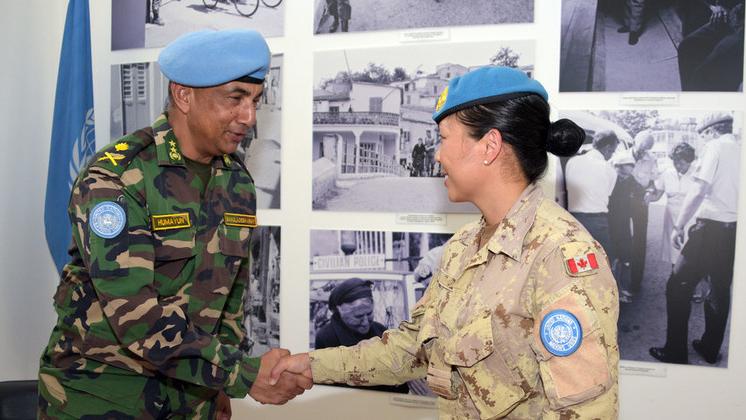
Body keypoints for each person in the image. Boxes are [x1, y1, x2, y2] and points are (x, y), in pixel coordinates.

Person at [271, 67, 620, 418]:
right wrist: (311, 366)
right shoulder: (463, 246)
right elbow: (413, 349)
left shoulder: (560, 255)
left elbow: (586, 411)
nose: (437, 155)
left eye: (444, 138)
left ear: (489, 146)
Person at [37, 29, 311, 419]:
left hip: (191, 398)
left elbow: (231, 300)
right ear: (183, 95)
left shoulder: (237, 182)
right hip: (105, 397)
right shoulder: (117, 179)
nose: (249, 117)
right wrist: (241, 375)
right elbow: (136, 317)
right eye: (235, 98)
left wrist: (216, 386)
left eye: (255, 100)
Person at [650, 113, 739, 365]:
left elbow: (699, 189)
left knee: (677, 286)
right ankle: (710, 349)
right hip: (733, 229)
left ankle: (675, 352)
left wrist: (679, 226)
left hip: (710, 227)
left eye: (702, 135)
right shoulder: (740, 147)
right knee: (719, 289)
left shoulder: (715, 146)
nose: (702, 140)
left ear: (710, 131)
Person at [314, 278, 409, 394]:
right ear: (340, 312)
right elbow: (327, 389)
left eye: (369, 313)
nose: (365, 322)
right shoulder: (326, 338)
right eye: (358, 317)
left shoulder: (380, 330)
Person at [565, 130, 619, 255]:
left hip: (574, 220)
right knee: (601, 262)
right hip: (597, 222)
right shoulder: (609, 169)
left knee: (577, 260)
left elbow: (568, 188)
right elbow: (607, 194)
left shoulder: (572, 162)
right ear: (607, 148)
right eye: (612, 151)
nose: (611, 155)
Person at [678, 1, 744, 91]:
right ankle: (689, 96)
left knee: (715, 63)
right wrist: (722, 6)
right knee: (687, 47)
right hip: (736, 14)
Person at [650, 142, 697, 269]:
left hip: (690, 219)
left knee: (691, 255)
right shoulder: (667, 173)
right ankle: (675, 277)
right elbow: (656, 195)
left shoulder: (697, 174)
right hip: (671, 219)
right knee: (674, 254)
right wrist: (645, 195)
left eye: (681, 163)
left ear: (689, 161)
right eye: (675, 162)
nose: (677, 166)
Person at [607, 150, 641, 303]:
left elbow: (641, 190)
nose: (624, 177)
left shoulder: (631, 180)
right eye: (622, 174)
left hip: (624, 224)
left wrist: (649, 192)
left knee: (626, 258)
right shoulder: (609, 179)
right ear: (616, 168)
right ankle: (613, 290)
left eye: (627, 174)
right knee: (612, 258)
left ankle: (623, 288)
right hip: (609, 223)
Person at [628, 130, 659, 296]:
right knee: (623, 238)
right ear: (634, 142)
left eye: (647, 148)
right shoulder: (621, 157)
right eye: (642, 147)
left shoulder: (651, 159)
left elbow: (653, 182)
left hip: (641, 201)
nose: (643, 152)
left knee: (640, 241)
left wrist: (650, 191)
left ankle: (636, 282)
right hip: (623, 201)